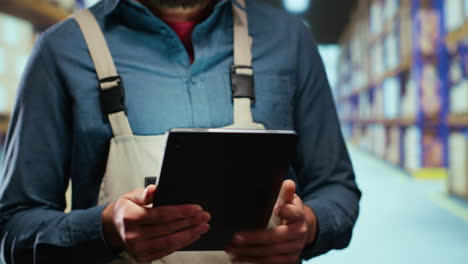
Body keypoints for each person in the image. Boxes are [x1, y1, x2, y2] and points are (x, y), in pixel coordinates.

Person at [0, 0, 361, 263]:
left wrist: (310, 227)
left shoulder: (288, 40)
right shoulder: (63, 49)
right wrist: (105, 229)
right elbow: (16, 227)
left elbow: (337, 188)